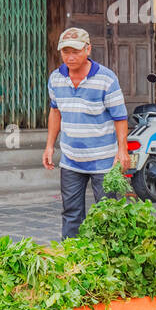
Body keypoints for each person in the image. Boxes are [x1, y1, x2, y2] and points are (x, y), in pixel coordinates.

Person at [44, 27, 130, 239]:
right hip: (71, 160)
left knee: (108, 214)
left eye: (76, 51)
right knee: (71, 213)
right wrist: (49, 146)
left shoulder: (106, 79)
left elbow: (120, 117)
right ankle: (72, 258)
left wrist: (122, 150)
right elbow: (55, 112)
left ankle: (110, 259)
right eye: (65, 52)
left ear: (88, 49)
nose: (70, 57)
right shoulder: (56, 78)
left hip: (104, 161)